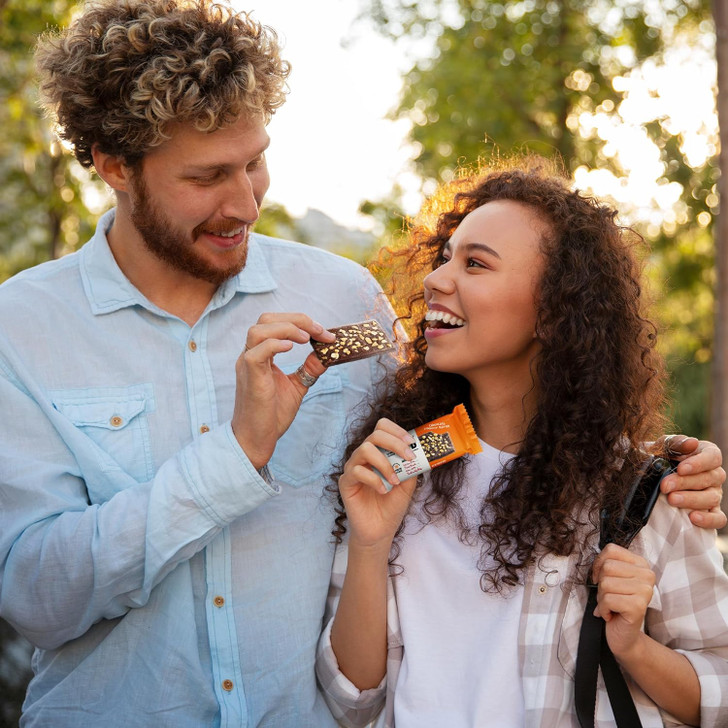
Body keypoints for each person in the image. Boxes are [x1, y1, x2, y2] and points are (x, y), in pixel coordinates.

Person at [0, 2, 722, 726]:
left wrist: (656, 472)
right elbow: (36, 599)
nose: (245, 202)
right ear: (113, 164)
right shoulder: (24, 332)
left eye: (255, 162)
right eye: (209, 175)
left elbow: (455, 428)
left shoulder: (341, 302)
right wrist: (240, 453)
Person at [315, 160, 728, 728]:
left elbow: (720, 693)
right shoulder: (407, 463)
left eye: (476, 264)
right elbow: (352, 702)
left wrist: (633, 645)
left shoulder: (644, 491)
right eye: (445, 258)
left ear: (555, 314)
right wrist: (368, 543)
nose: (436, 279)